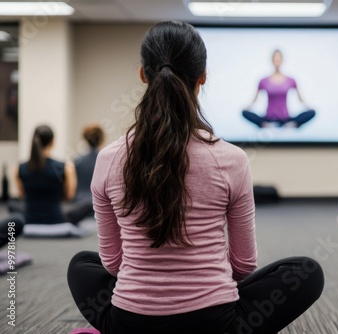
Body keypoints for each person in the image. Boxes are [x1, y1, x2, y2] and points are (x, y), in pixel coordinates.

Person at [67, 21, 324, 334]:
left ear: (143, 75)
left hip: (130, 323)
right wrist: (202, 281)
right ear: (202, 77)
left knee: (82, 264)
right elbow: (243, 266)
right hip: (215, 324)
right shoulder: (232, 159)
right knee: (306, 272)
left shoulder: (108, 159)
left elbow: (113, 265)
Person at [14, 125, 93, 225]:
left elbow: (22, 195)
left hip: (29, 218)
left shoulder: (19, 168)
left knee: (12, 205)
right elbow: (69, 196)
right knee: (90, 202)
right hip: (57, 218)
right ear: (52, 142)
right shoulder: (66, 167)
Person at [242, 50, 316, 128]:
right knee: (244, 113)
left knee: (312, 112)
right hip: (268, 119)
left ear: (282, 60)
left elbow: (301, 100)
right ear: (272, 60)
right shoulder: (263, 81)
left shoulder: (291, 80)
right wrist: (246, 108)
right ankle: (265, 125)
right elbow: (254, 101)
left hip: (286, 119)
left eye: (279, 59)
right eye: (275, 59)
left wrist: (309, 108)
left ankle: (292, 124)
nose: (277, 61)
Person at [74, 124, 105, 203]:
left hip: (80, 205)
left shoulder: (77, 161)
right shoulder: (107, 160)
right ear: (101, 139)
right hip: (100, 204)